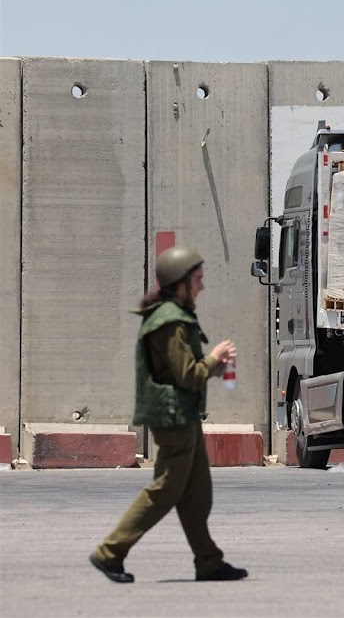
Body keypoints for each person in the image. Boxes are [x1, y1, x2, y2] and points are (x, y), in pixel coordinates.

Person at [89, 246, 247, 583]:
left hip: (183, 416)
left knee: (196, 493)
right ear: (180, 283)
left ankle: (208, 561)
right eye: (198, 280)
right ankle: (110, 551)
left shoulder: (172, 315)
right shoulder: (170, 321)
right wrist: (215, 356)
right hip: (173, 420)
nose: (201, 287)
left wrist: (216, 367)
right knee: (165, 490)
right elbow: (187, 374)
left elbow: (185, 372)